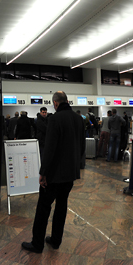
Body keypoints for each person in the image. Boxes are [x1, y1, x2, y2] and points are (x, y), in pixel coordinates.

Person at [21, 91, 85, 253]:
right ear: (67, 101)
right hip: (70, 174)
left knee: (43, 207)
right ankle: (56, 240)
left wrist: (43, 173)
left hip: (54, 174)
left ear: (55, 103)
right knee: (61, 206)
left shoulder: (54, 119)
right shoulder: (79, 119)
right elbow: (82, 146)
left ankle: (37, 243)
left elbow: (49, 149)